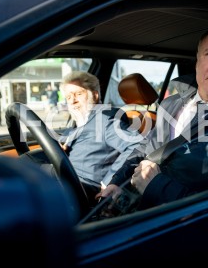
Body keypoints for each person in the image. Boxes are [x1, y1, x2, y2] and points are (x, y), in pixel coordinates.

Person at [99, 22, 208, 209]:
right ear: (198, 60)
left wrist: (156, 186)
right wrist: (117, 182)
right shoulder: (171, 104)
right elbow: (146, 148)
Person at [57, 71, 143, 202]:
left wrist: (111, 180)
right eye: (68, 97)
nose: (73, 101)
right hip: (64, 180)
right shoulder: (79, 121)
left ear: (95, 95)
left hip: (82, 189)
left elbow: (137, 145)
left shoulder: (105, 119)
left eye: (78, 94)